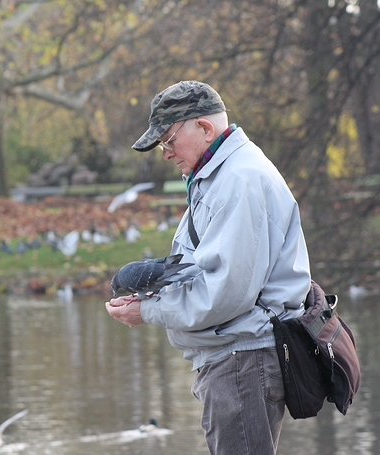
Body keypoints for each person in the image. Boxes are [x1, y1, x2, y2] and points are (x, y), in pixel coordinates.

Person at [105, 80, 311, 455]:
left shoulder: (238, 180)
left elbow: (226, 293)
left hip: (242, 362)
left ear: (204, 127)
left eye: (168, 139)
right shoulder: (218, 176)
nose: (165, 153)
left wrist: (147, 309)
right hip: (233, 361)